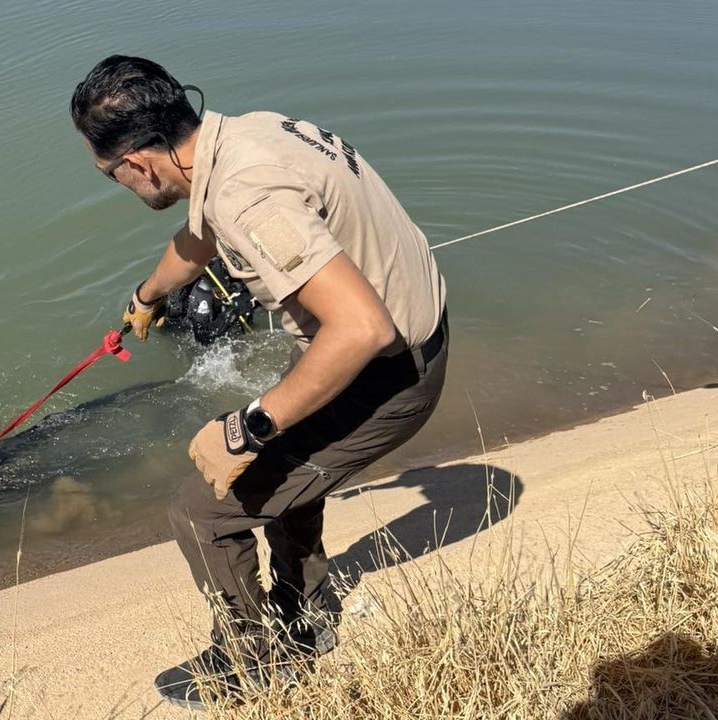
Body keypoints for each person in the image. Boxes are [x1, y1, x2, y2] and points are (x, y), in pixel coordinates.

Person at [70, 56, 449, 708]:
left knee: (203, 509)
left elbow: (362, 328)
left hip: (388, 371)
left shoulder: (246, 195)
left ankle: (254, 663)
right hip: (406, 338)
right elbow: (202, 237)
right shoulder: (242, 135)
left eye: (110, 174)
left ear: (137, 163)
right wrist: (147, 295)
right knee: (281, 477)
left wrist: (248, 428)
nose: (118, 183)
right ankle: (306, 608)